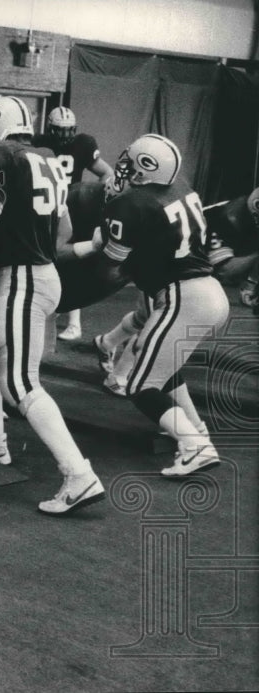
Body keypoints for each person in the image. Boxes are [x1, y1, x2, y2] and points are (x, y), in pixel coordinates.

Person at [0, 96, 104, 513]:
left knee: (20, 383)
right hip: (41, 275)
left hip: (23, 281)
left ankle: (79, 475)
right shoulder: (45, 158)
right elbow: (64, 232)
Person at [96, 134, 229, 476]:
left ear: (145, 169)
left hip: (182, 296)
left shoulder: (131, 204)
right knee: (162, 366)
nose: (124, 166)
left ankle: (194, 446)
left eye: (132, 162)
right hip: (209, 291)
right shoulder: (182, 187)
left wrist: (105, 224)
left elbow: (110, 266)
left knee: (140, 386)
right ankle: (196, 431)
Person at [33, 106, 114, 341]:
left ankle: (74, 323)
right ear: (50, 129)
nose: (65, 136)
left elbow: (106, 172)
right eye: (60, 130)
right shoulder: (40, 144)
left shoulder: (83, 144)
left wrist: (95, 195)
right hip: (46, 206)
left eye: (69, 131)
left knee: (68, 262)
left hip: (69, 209)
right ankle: (53, 310)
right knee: (49, 259)